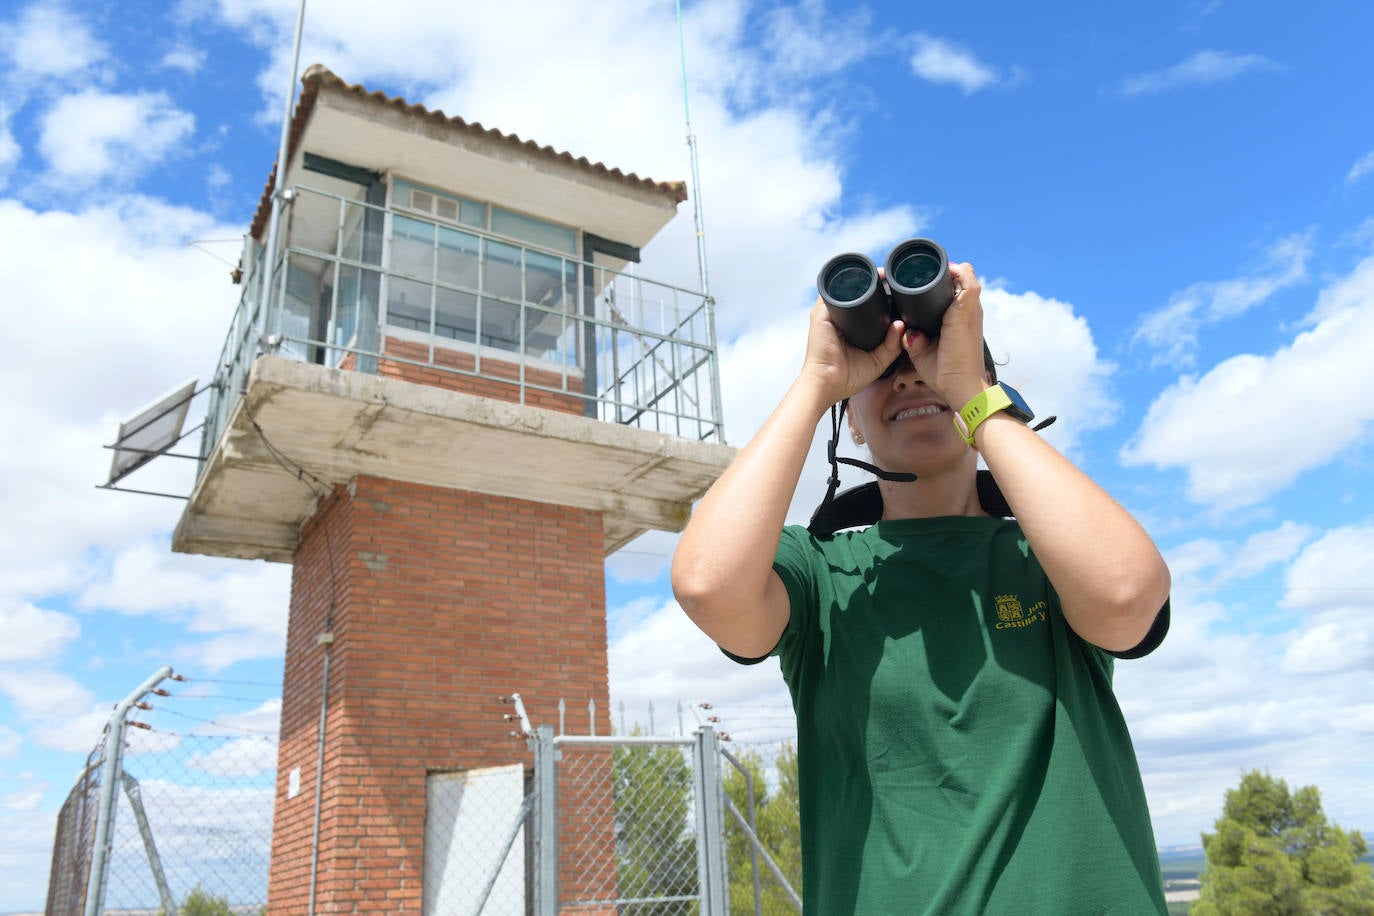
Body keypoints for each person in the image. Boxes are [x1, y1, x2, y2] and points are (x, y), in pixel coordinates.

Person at [671, 259, 1172, 915]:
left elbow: (1128, 593)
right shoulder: (819, 572)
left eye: (931, 355)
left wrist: (971, 391)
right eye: (882, 370)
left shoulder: (1050, 556)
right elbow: (708, 585)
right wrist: (817, 380)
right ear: (848, 419)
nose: (909, 374)